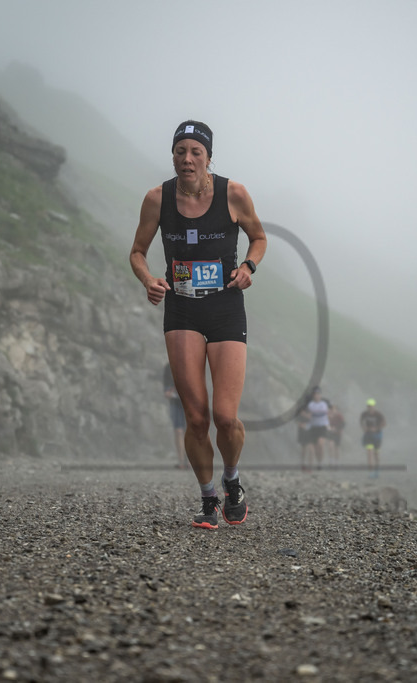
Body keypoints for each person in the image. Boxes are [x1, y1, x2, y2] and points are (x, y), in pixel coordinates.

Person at [130, 120, 266, 529]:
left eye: (195, 152)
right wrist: (148, 278)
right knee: (196, 418)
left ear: (208, 158)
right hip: (183, 311)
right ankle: (208, 498)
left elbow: (258, 237)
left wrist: (248, 266)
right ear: (172, 155)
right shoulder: (157, 198)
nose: (186, 159)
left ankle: (231, 481)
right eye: (180, 151)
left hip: (225, 308)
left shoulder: (234, 194)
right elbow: (137, 252)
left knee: (226, 417)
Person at [162, 363, 188, 469]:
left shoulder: (191, 364)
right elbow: (167, 389)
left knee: (189, 431)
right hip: (175, 402)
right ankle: (181, 461)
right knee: (178, 431)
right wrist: (169, 391)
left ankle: (191, 460)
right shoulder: (169, 367)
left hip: (189, 402)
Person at [302, 386, 330, 470]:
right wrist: (304, 414)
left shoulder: (323, 404)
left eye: (318, 394)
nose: (317, 396)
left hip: (322, 426)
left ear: (320, 395)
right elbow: (309, 416)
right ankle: (315, 462)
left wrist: (308, 414)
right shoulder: (311, 404)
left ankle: (320, 463)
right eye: (315, 394)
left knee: (320, 444)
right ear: (313, 396)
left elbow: (320, 414)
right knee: (314, 447)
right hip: (313, 427)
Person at [360, 399, 387, 478]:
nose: (370, 408)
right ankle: (371, 472)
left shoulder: (378, 414)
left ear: (374, 406)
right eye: (368, 406)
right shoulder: (364, 414)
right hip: (368, 435)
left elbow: (384, 423)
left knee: (376, 454)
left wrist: (376, 428)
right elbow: (361, 422)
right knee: (369, 453)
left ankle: (377, 470)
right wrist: (364, 428)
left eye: (371, 406)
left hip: (377, 436)